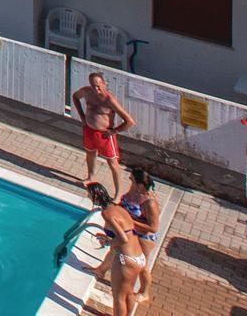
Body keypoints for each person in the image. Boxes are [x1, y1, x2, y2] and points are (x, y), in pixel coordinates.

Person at [85, 181, 145, 316]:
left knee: (118, 297)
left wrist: (109, 242)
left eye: (89, 195)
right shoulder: (118, 207)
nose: (88, 197)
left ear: (95, 196)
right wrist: (109, 239)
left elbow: (123, 239)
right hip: (139, 257)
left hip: (126, 260)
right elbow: (126, 232)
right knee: (129, 293)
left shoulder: (106, 213)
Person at [71, 72, 134, 197]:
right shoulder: (86, 92)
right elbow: (75, 97)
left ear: (104, 84)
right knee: (90, 154)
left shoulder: (109, 100)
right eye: (93, 85)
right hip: (89, 130)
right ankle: (90, 177)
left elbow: (129, 121)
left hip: (104, 135)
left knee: (113, 163)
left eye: (98, 86)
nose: (96, 89)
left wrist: (114, 131)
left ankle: (118, 194)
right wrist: (82, 116)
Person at [119, 167, 161, 300]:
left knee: (142, 266)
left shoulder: (149, 203)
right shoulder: (134, 191)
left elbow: (153, 228)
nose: (129, 180)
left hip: (144, 238)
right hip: (132, 233)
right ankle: (102, 271)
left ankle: (144, 292)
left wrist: (129, 221)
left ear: (140, 184)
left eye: (132, 179)